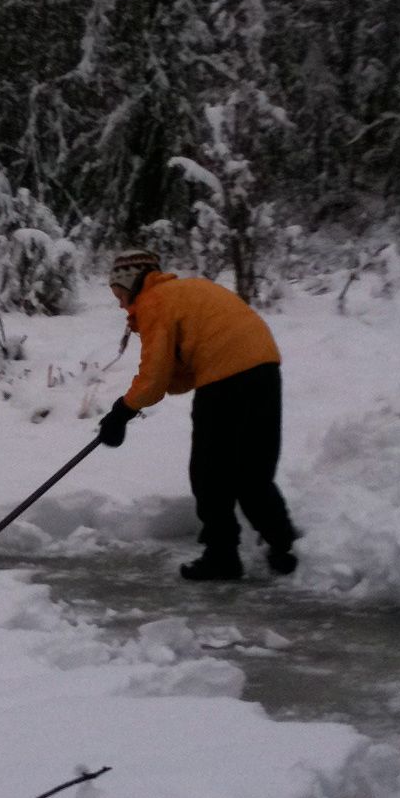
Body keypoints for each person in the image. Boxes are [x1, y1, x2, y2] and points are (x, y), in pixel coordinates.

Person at [96, 249, 299, 582]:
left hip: (226, 380)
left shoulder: (154, 301)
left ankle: (222, 557)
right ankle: (281, 546)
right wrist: (134, 406)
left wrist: (121, 412)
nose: (120, 304)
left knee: (210, 472)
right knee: (252, 470)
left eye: (119, 295)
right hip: (264, 370)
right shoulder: (187, 291)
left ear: (132, 283)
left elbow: (154, 377)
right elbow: (183, 371)